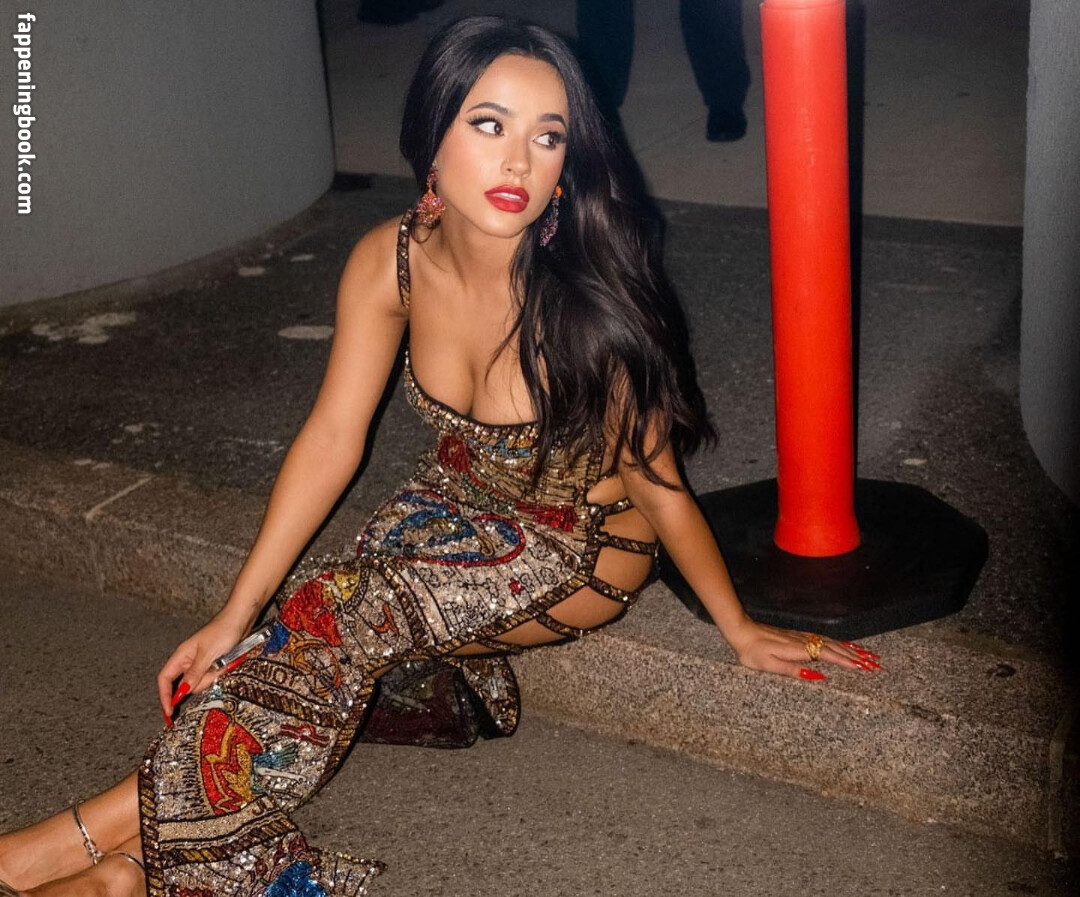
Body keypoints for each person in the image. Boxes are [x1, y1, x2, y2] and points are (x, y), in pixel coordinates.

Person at [0, 16, 879, 897]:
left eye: (548, 137)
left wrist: (737, 628)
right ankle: (128, 872)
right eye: (488, 124)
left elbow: (660, 489)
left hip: (582, 543)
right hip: (455, 497)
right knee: (299, 625)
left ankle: (67, 851)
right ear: (433, 135)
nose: (518, 163)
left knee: (342, 614)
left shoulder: (587, 312)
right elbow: (333, 437)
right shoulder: (390, 263)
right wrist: (236, 610)